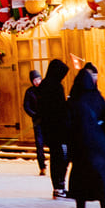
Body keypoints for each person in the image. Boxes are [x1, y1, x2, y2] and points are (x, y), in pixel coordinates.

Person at [66, 63, 105, 208]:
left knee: (81, 178)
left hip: (81, 147)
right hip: (100, 145)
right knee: (102, 179)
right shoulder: (98, 98)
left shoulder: (73, 101)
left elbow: (68, 126)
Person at [36, 60, 72, 199]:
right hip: (58, 128)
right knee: (60, 158)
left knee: (56, 157)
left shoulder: (44, 85)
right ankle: (59, 186)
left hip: (47, 127)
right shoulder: (56, 86)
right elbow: (59, 108)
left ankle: (57, 186)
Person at [24, 68, 46, 175]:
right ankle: (42, 166)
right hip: (37, 121)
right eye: (35, 80)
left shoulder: (46, 89)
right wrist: (34, 114)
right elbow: (26, 106)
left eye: (39, 79)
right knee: (39, 143)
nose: (37, 82)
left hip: (48, 120)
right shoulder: (29, 92)